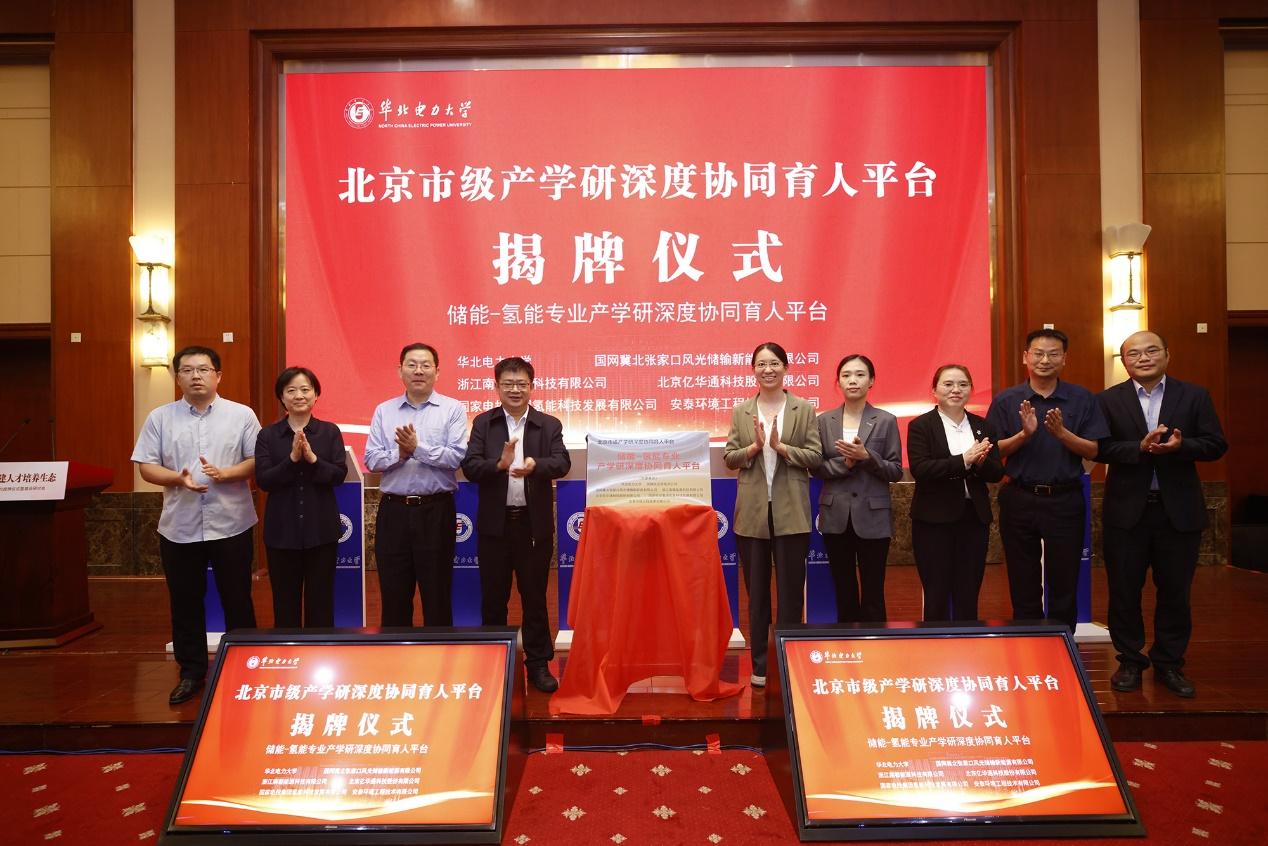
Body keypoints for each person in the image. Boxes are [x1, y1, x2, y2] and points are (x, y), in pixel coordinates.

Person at [1096, 331, 1227, 698]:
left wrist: (1183, 447)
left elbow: (1216, 444)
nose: (1144, 358)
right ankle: (1130, 661)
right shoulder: (1107, 400)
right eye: (1134, 353)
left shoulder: (1194, 395)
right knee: (1124, 591)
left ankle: (1169, 663)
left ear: (1167, 354)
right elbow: (1099, 448)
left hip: (1179, 512)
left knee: (1175, 592)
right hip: (1127, 512)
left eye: (1152, 350)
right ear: (1124, 361)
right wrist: (1138, 447)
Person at [131, 346, 260, 705]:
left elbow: (257, 460)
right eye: (187, 370)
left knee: (237, 598)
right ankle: (191, 672)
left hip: (232, 522)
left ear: (218, 375)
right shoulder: (160, 417)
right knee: (185, 601)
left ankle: (244, 668)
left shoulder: (242, 415)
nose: (196, 376)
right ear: (177, 378)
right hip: (180, 525)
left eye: (203, 369)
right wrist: (177, 478)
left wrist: (226, 474)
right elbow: (146, 466)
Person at [461, 357, 571, 693]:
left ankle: (538, 664)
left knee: (534, 598)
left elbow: (562, 462)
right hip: (495, 527)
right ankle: (493, 665)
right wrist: (499, 464)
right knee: (493, 599)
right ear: (497, 387)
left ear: (531, 387)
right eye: (508, 384)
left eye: (521, 384)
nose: (515, 390)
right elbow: (470, 467)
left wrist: (535, 465)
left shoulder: (547, 424)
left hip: (532, 527)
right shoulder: (484, 423)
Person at [986, 328, 1108, 632]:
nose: (1045, 360)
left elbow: (1094, 450)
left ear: (1064, 359)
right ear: (1025, 357)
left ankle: (1062, 641)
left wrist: (1062, 433)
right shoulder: (1006, 400)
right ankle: (1028, 640)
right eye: (1038, 353)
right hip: (1019, 497)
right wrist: (1024, 434)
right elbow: (993, 451)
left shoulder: (1082, 398)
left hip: (1065, 498)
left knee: (1064, 578)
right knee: (1022, 577)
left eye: (1053, 354)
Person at [725, 342, 823, 688]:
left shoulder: (803, 408)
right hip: (752, 513)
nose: (768, 370)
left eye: (775, 363)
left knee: (791, 593)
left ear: (786, 368)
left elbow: (815, 457)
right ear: (753, 369)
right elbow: (730, 458)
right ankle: (761, 666)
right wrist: (754, 447)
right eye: (761, 364)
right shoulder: (741, 411)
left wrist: (781, 448)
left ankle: (788, 664)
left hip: (791, 511)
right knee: (757, 596)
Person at [364, 343, 468, 627]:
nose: (418, 371)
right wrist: (399, 454)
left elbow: (456, 457)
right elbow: (371, 460)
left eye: (425, 365)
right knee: (394, 593)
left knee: (437, 593)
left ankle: (440, 654)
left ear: (437, 372)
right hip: (393, 511)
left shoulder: (452, 409)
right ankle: (397, 653)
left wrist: (416, 449)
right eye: (411, 365)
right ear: (400, 371)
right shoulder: (384, 410)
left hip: (436, 510)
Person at [908, 364, 1005, 621]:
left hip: (973, 518)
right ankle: (935, 641)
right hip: (933, 520)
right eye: (948, 384)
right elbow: (921, 468)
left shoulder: (984, 426)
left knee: (968, 591)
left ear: (971, 389)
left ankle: (968, 641)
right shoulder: (921, 425)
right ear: (934, 390)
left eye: (963, 384)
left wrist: (980, 463)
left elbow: (997, 472)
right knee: (936, 592)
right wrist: (963, 460)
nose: (956, 390)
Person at [810, 354, 903, 623]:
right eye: (846, 375)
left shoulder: (886, 420)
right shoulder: (823, 420)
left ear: (871, 380)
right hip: (835, 515)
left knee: (873, 591)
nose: (853, 380)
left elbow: (895, 470)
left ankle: (875, 642)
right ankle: (847, 643)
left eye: (860, 374)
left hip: (874, 515)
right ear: (838, 381)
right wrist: (847, 464)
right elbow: (816, 467)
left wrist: (867, 457)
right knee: (844, 589)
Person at [255, 366, 348, 628]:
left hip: (322, 532)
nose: (299, 395)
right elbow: (264, 480)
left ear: (316, 394)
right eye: (291, 390)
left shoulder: (329, 432)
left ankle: (320, 653)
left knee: (321, 604)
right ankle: (289, 653)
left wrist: (313, 459)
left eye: (305, 389)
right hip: (281, 533)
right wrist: (293, 459)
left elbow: (338, 475)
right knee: (285, 605)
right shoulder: (267, 435)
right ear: (281, 397)